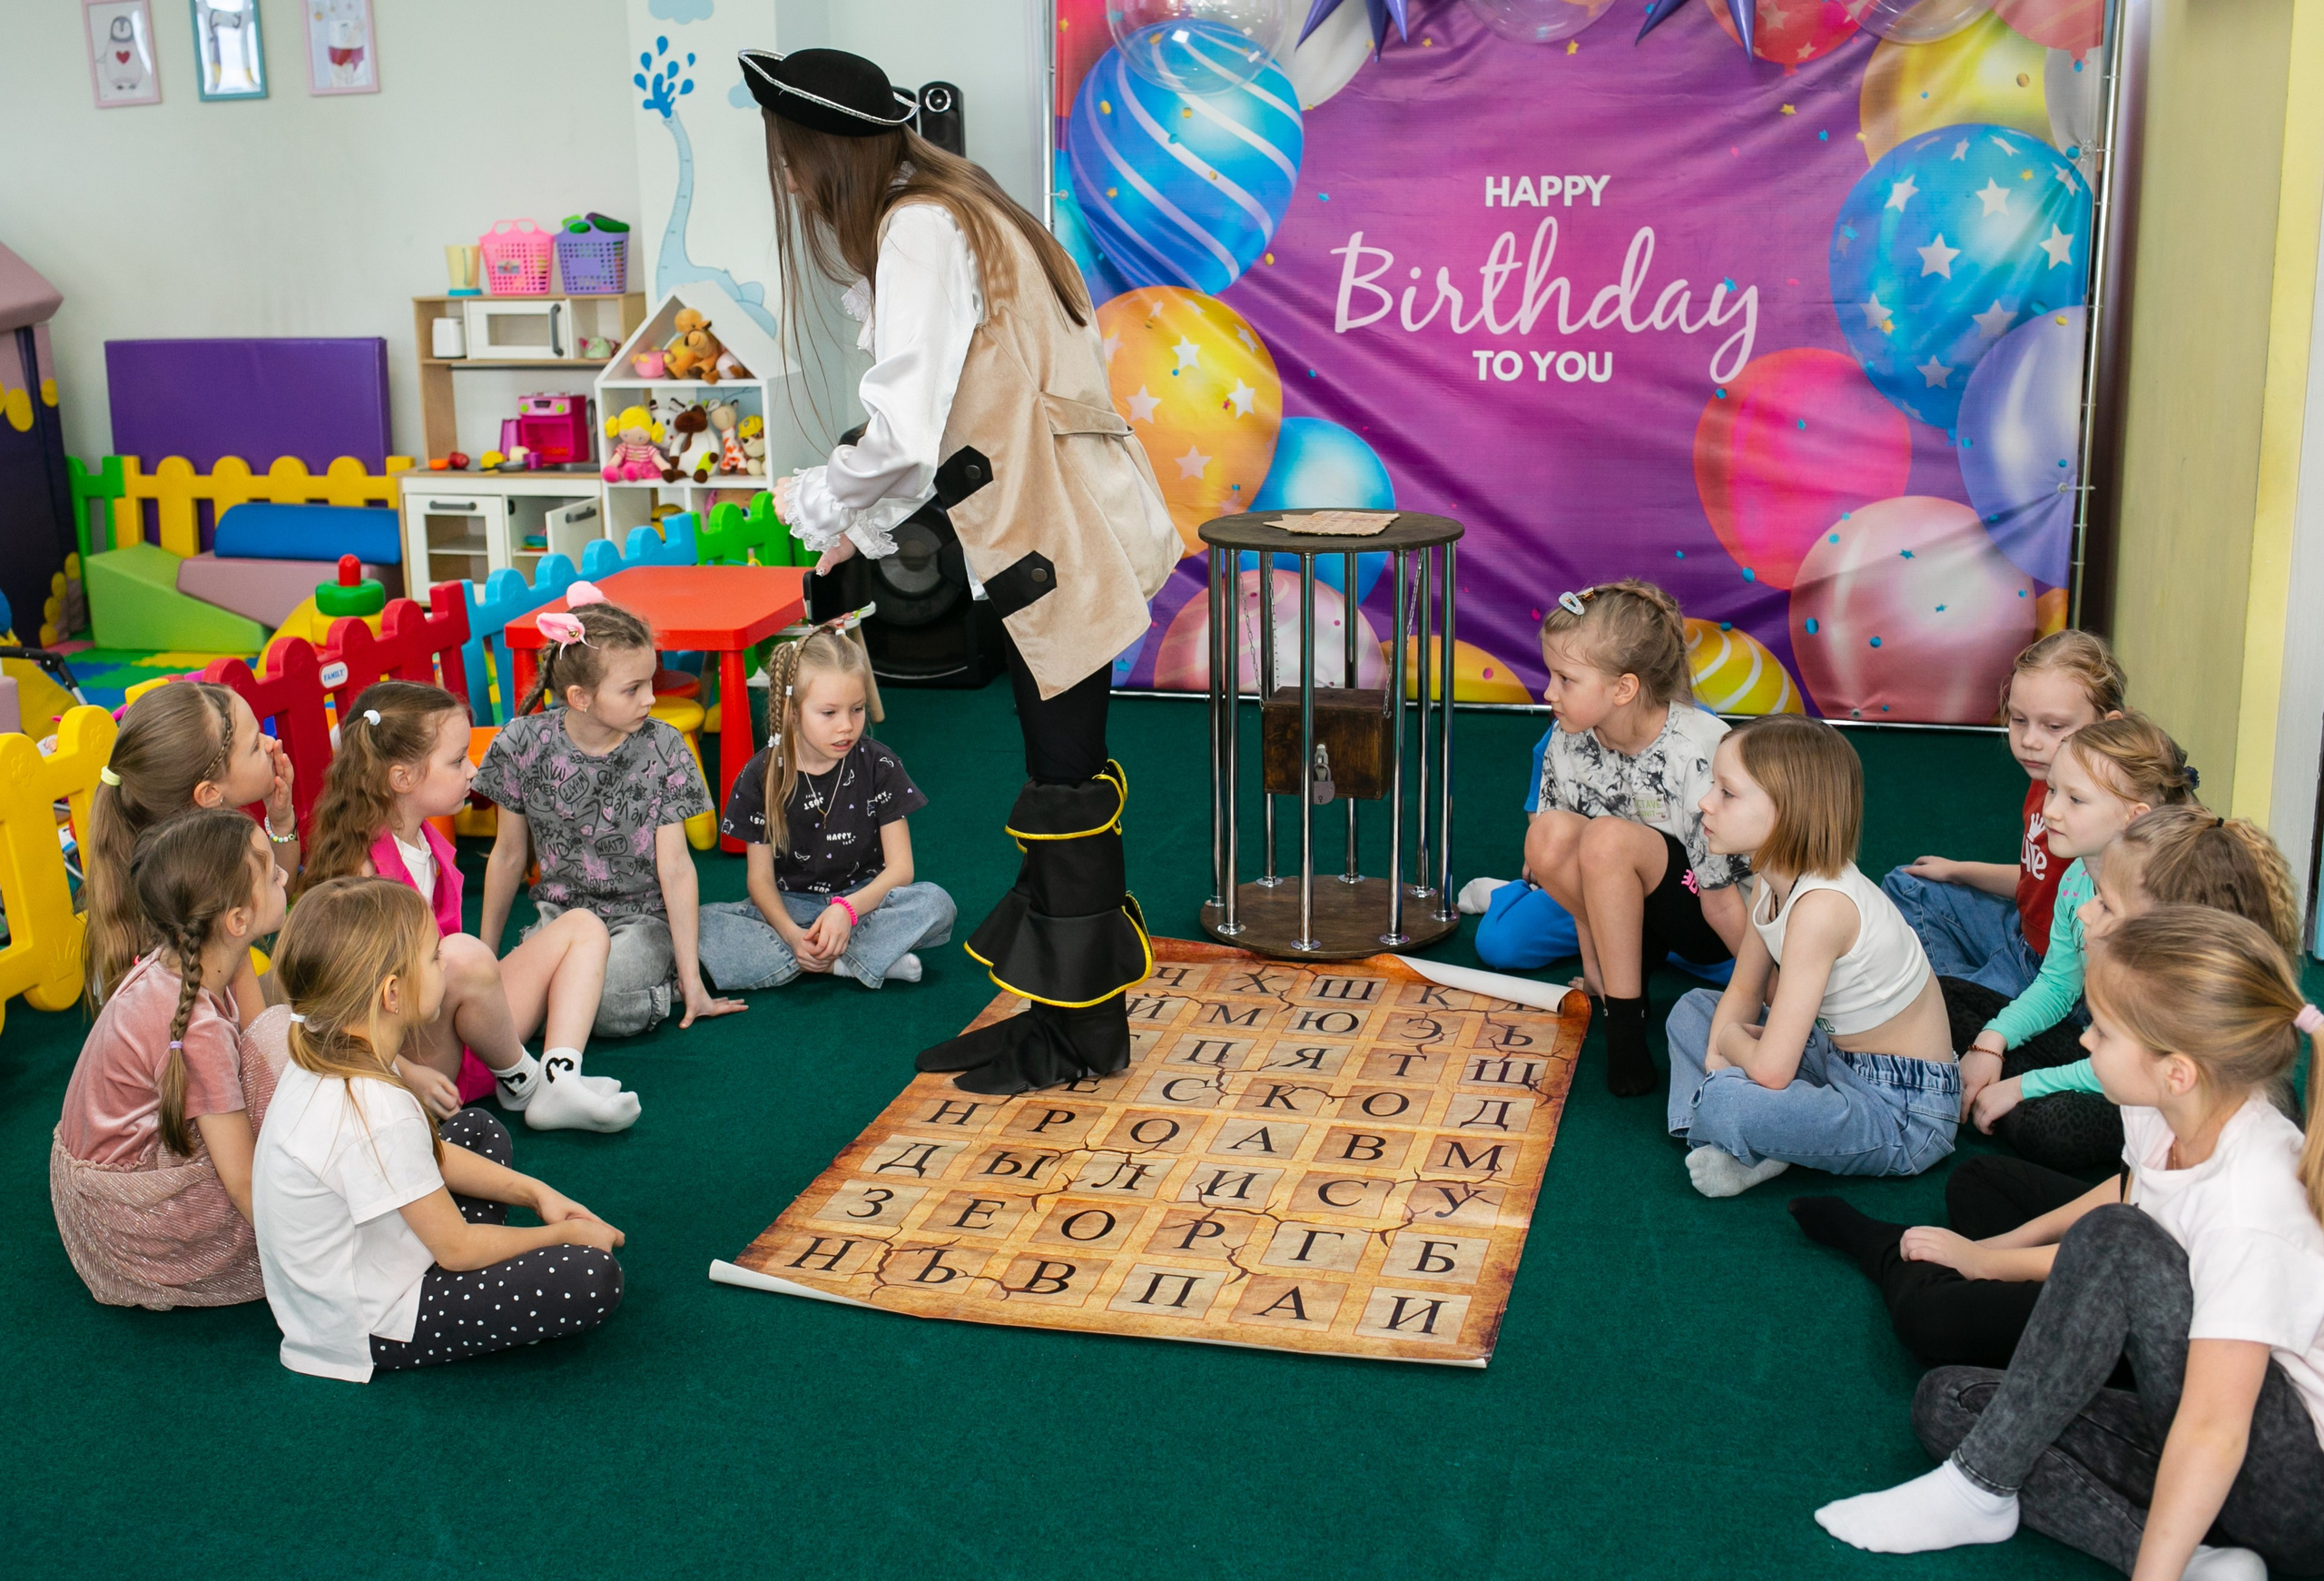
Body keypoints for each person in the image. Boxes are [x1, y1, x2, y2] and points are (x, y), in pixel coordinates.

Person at [740, 44, 1176, 1092]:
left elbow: (900, 431)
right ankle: (1066, 1018)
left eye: (792, 160)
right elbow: (950, 421)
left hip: (1053, 539)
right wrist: (866, 526)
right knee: (1058, 777)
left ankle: (1081, 1036)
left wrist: (819, 497)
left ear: (828, 155)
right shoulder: (942, 208)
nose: (790, 181)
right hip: (1053, 528)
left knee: (1063, 785)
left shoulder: (920, 228)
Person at [1814, 908, 2324, 1581]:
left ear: (2177, 1071)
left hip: (2294, 1491)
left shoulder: (2250, 1199)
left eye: (2104, 1030)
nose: (2084, 1039)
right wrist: (1994, 1256)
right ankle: (2203, 1564)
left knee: (2115, 1239)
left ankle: (1985, 1489)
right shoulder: (2160, 1112)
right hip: (2197, 1419)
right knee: (1949, 1403)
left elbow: (2214, 1428)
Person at [1790, 805, 2304, 1371]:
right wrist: (1994, 1250)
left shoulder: (2217, 1112)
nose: (2085, 906)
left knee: (1934, 1322)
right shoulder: (2168, 1063)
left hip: (2168, 1323)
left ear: (2167, 928)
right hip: (2137, 1251)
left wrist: (1986, 1262)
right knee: (1978, 1182)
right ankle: (1955, 1276)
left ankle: (1889, 1251)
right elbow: (2132, 1195)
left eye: (2106, 901)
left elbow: (2130, 1260)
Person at [251, 878, 625, 1382]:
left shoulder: (322, 1041)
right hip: (368, 1324)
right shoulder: (376, 1108)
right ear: (391, 993)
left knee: (478, 1130)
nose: (445, 966)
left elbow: (427, 1154)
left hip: (346, 1278)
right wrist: (561, 1234)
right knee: (590, 1275)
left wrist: (537, 1194)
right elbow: (457, 1249)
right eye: (433, 959)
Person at [304, 680, 636, 1131]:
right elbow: (332, 1014)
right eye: (457, 760)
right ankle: (526, 1081)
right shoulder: (364, 875)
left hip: (463, 1027)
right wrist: (406, 1074)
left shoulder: (423, 839)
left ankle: (559, 1080)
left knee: (582, 925)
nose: (472, 770)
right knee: (460, 955)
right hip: (412, 1057)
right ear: (402, 778)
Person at [1665, 715, 1955, 1198]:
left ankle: (1738, 1130)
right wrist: (1725, 1051)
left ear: (1786, 813)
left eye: (1727, 793)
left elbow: (1773, 1070)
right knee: (1691, 1010)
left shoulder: (1822, 908)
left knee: (1730, 1099)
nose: (1704, 802)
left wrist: (1732, 1043)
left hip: (1902, 1108)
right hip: (1831, 1056)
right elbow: (1744, 987)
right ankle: (1754, 1135)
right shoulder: (1769, 877)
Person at [1482, 581, 1749, 1095]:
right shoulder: (1567, 736)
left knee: (1606, 838)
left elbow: (1725, 903)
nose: (1548, 692)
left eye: (1565, 678)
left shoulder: (1699, 746)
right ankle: (1623, 1006)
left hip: (1708, 917)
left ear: (1623, 689)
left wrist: (1769, 994)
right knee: (1546, 838)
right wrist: (1594, 969)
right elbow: (1576, 868)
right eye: (1550, 674)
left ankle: (1627, 1028)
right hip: (1625, 905)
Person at [473, 588, 745, 1038]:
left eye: (651, 683)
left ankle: (670, 987)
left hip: (640, 921)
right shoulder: (520, 743)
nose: (651, 700)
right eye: (633, 689)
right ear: (580, 697)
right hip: (561, 918)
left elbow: (676, 867)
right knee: (513, 1000)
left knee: (599, 998)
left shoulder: (663, 746)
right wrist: (484, 963)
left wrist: (692, 981)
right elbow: (506, 856)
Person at [50, 807, 287, 1309]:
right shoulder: (198, 1030)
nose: (284, 873)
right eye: (270, 869)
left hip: (96, 1191)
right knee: (287, 1069)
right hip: (137, 1223)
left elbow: (257, 1032)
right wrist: (306, 1258)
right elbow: (246, 1182)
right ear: (237, 919)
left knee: (278, 1050)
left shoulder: (184, 958)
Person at [1945, 714, 2199, 1172]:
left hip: (2147, 1079)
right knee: (1940, 998)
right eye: (2053, 791)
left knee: (2062, 1132)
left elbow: (2145, 1061)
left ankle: (1973, 1091)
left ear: (2133, 818)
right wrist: (1991, 1043)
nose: (2051, 812)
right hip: (2097, 1043)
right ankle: (1980, 1083)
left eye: (2075, 799)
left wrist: (2021, 1087)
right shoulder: (2079, 878)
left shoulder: (2160, 906)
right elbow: (2058, 985)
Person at [698, 627, 955, 993]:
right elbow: (759, 881)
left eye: (858, 709)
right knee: (701, 924)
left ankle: (824, 958)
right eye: (829, 713)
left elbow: (901, 870)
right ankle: (847, 962)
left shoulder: (879, 764)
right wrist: (790, 934)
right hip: (791, 909)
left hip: (865, 902)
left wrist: (846, 911)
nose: (847, 726)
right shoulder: (761, 774)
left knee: (935, 903)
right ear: (791, 711)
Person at [1882, 630, 2125, 1001]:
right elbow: (2036, 879)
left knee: (1948, 1005)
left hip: (2053, 970)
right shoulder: (2046, 778)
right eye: (2019, 720)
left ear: (2107, 725)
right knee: (1908, 885)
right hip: (2019, 932)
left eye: (2053, 726)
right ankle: (1964, 994)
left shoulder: (2102, 815)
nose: (2029, 740)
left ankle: (1964, 1002)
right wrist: (1959, 870)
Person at [84, 680, 298, 1009]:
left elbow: (277, 890)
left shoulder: (186, 844)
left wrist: (281, 820)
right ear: (209, 794)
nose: (271, 743)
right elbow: (256, 1042)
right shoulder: (200, 887)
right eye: (255, 745)